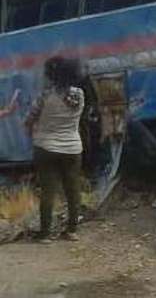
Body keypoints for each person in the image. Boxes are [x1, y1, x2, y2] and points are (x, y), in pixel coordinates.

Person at [24, 56, 85, 244]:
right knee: (73, 189)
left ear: (51, 75)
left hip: (46, 148)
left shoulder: (45, 95)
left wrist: (32, 135)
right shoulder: (79, 95)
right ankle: (72, 230)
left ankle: (45, 234)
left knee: (48, 191)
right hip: (73, 149)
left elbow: (29, 120)